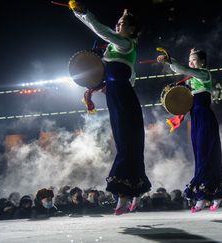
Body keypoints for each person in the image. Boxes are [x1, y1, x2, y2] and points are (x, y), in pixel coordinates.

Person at [71, 2, 151, 215]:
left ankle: (123, 196)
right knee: (127, 144)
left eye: (122, 24)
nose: (117, 26)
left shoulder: (126, 44)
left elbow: (101, 29)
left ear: (132, 30)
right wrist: (96, 89)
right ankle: (136, 190)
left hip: (124, 98)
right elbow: (114, 77)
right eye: (117, 23)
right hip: (116, 99)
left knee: (127, 144)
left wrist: (83, 12)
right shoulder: (116, 50)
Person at [157, 48, 222, 212]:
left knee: (207, 156)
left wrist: (169, 60)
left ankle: (202, 197)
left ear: (203, 62)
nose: (191, 62)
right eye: (190, 59)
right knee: (202, 156)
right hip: (196, 120)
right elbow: (181, 80)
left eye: (194, 59)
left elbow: (184, 69)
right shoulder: (191, 81)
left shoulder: (204, 74)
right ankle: (216, 194)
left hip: (206, 119)